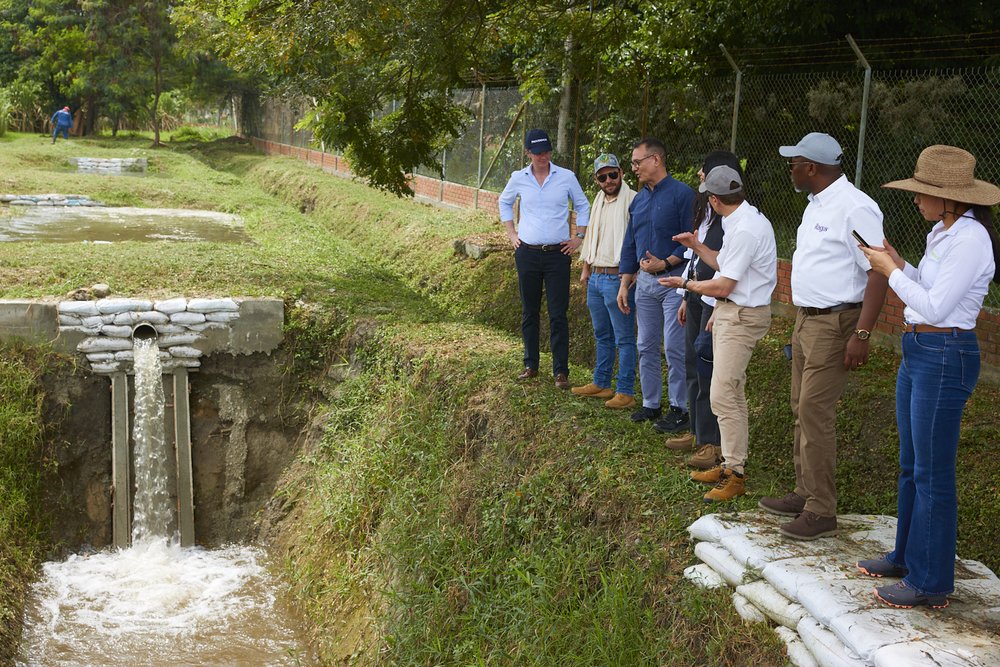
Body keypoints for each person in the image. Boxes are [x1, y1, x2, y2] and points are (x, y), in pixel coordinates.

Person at [856, 145, 999, 609]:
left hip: (944, 353)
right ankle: (906, 558)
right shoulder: (944, 230)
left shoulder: (971, 239)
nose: (916, 199)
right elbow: (930, 288)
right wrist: (900, 263)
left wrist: (891, 271)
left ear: (952, 197)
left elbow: (937, 307)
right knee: (911, 464)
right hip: (920, 349)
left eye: (922, 192)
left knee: (933, 473)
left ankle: (931, 581)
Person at [758, 133, 888, 541]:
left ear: (811, 167)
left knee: (815, 412)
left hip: (836, 325)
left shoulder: (855, 208)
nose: (790, 170)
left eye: (793, 163)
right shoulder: (817, 204)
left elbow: (878, 271)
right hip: (807, 320)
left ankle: (821, 510)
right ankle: (804, 491)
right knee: (801, 407)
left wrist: (862, 334)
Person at [661, 166, 776, 501]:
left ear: (713, 199)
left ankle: (735, 473)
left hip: (742, 314)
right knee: (728, 392)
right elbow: (724, 265)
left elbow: (725, 283)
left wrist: (685, 283)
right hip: (731, 310)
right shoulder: (739, 220)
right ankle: (730, 464)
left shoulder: (746, 230)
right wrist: (697, 246)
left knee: (723, 394)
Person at [499, 129, 590, 389]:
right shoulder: (519, 178)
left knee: (558, 312)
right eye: (538, 152)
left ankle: (561, 370)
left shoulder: (566, 177)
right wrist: (511, 233)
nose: (543, 156)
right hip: (527, 252)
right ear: (528, 153)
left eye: (547, 151)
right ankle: (531, 365)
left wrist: (578, 237)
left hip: (557, 254)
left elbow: (583, 205)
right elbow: (504, 202)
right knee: (530, 310)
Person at [669, 151, 743, 470]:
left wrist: (717, 307)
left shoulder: (735, 219)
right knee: (691, 362)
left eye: (704, 172)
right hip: (697, 295)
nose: (699, 175)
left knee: (708, 368)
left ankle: (713, 443)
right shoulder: (708, 210)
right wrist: (686, 295)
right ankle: (697, 433)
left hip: (715, 301)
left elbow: (730, 269)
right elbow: (696, 256)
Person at [617, 137, 695, 432]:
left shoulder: (683, 195)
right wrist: (625, 284)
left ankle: (680, 408)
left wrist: (667, 262)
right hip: (645, 284)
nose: (634, 168)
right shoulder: (639, 200)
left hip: (673, 283)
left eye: (637, 162)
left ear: (656, 160)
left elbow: (692, 240)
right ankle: (651, 403)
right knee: (645, 344)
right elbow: (630, 244)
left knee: (674, 347)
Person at [571, 153, 639, 408]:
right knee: (602, 334)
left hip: (618, 277)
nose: (608, 180)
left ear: (621, 173)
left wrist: (631, 275)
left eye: (612, 174)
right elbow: (592, 236)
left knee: (624, 338)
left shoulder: (633, 200)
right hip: (597, 276)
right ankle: (601, 383)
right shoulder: (599, 199)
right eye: (603, 176)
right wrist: (586, 267)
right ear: (597, 180)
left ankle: (626, 391)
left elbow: (637, 240)